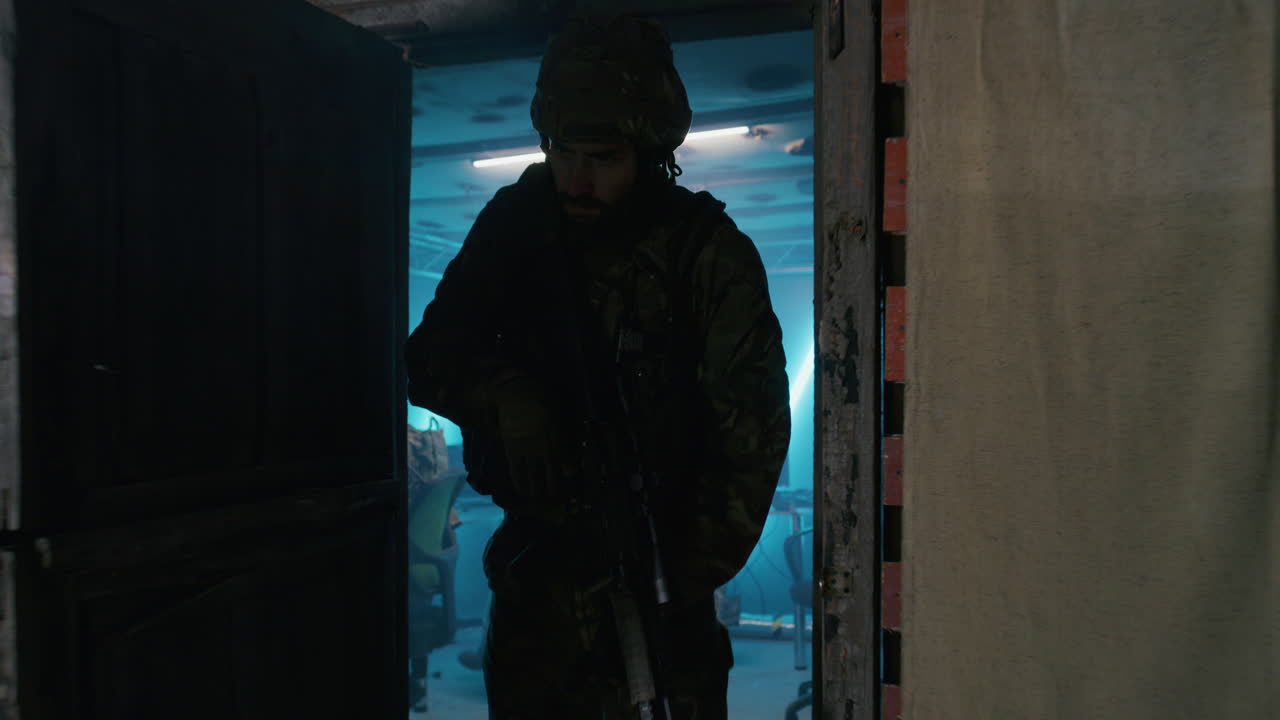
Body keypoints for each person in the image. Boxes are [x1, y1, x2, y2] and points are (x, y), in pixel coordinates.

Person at [404, 13, 791, 718]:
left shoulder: (707, 258)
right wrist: (507, 397)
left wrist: (665, 577)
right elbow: (428, 358)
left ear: (649, 152)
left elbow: (749, 448)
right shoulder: (518, 221)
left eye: (604, 158)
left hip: (661, 595)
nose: (576, 179)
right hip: (536, 597)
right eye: (561, 151)